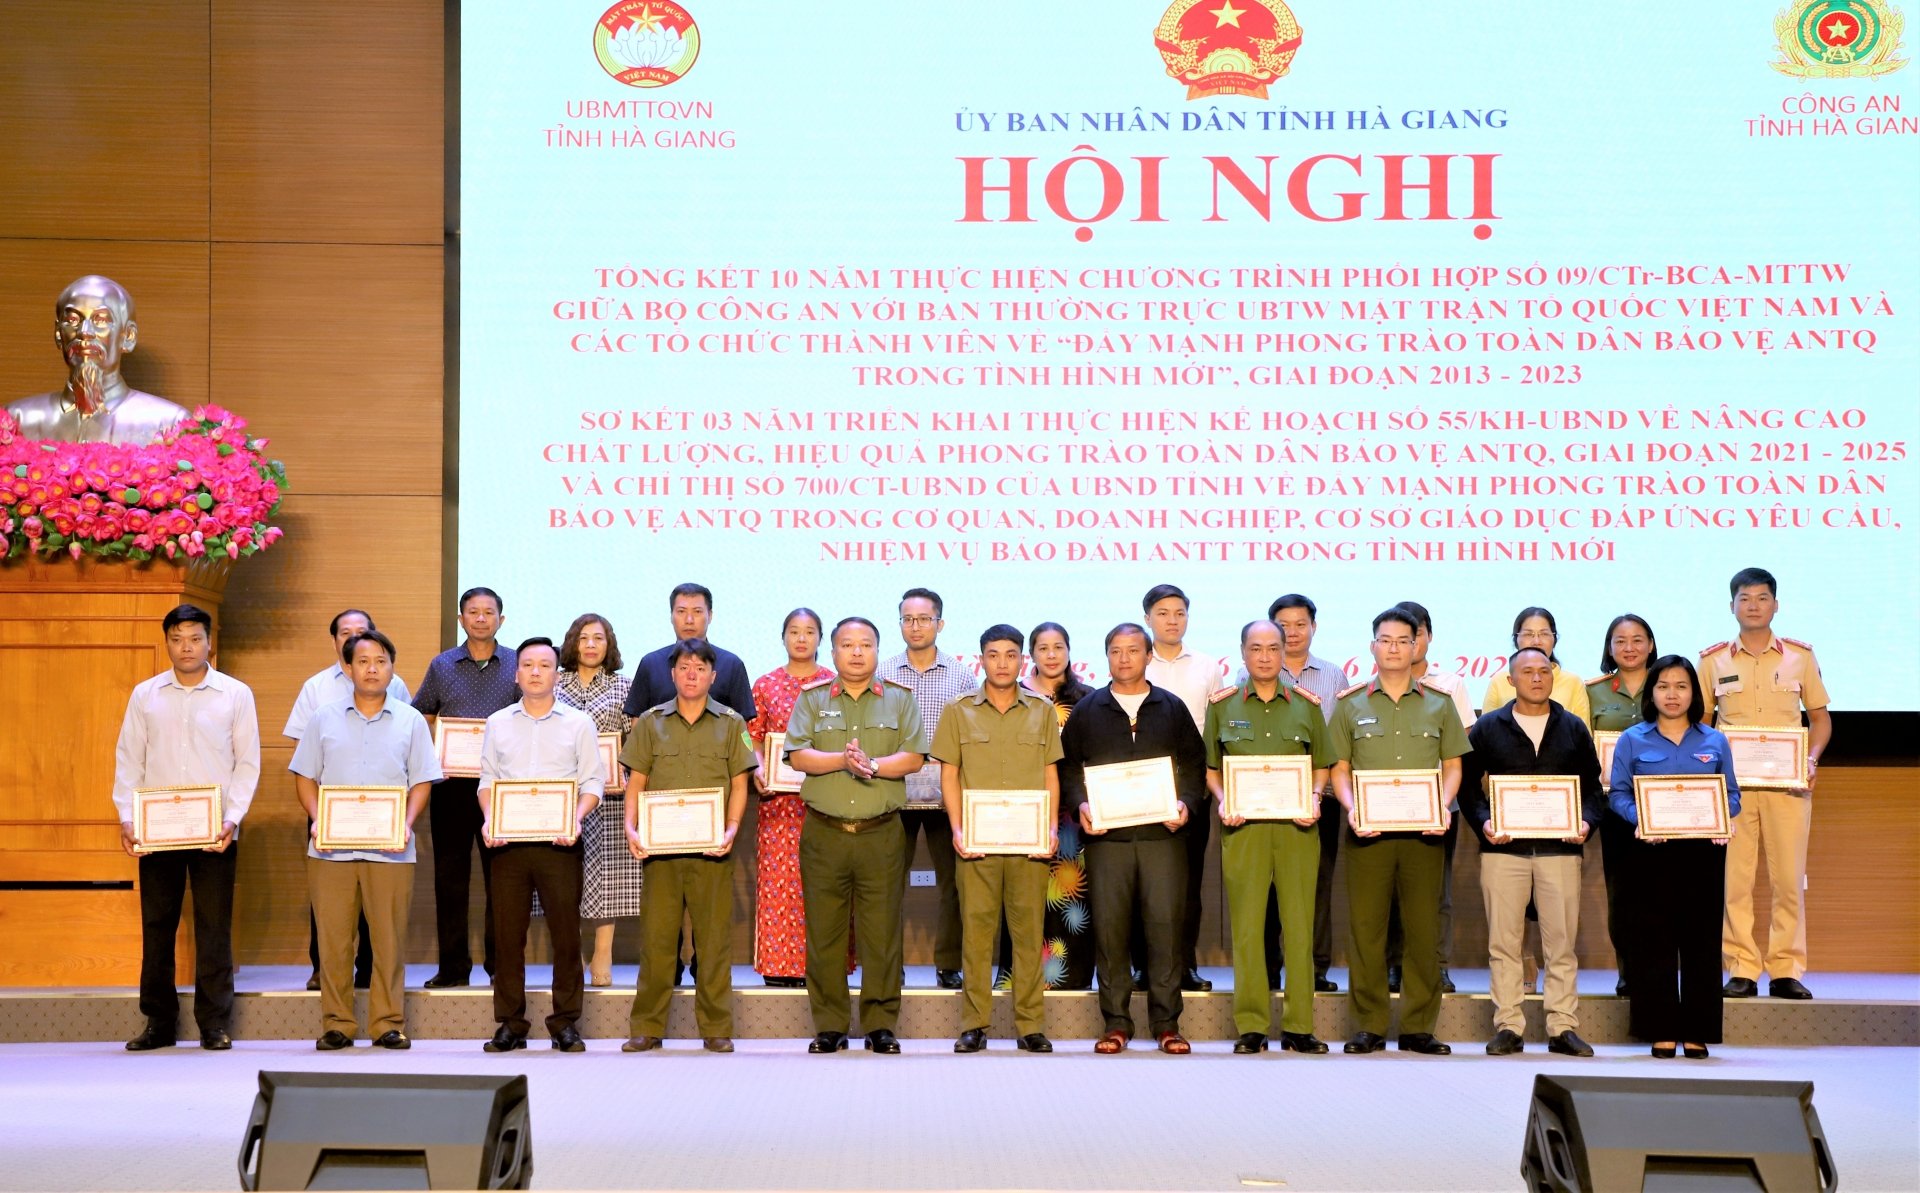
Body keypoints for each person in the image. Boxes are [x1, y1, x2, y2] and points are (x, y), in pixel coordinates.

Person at [112, 604, 260, 1051]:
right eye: (177, 639)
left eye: (194, 638)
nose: (186, 647)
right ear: (167, 642)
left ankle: (214, 1023)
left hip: (216, 829)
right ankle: (158, 1022)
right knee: (157, 925)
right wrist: (127, 818)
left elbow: (247, 762)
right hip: (157, 831)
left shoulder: (235, 694)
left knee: (214, 926)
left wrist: (232, 817)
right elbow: (128, 759)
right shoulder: (146, 694)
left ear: (209, 641)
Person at [1060, 623, 1207, 1054]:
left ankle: (1167, 1023)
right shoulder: (1088, 709)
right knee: (1110, 932)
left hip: (1163, 839)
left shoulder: (1171, 707)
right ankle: (1116, 1023)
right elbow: (1068, 768)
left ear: (1147, 656)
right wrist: (1082, 806)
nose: (1124, 659)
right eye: (1116, 651)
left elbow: (1195, 765)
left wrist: (1186, 804)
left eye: (1133, 651)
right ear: (1106, 657)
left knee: (1165, 930)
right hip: (1108, 842)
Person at [785, 617, 929, 1054]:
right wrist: (842, 761)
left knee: (881, 934)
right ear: (833, 653)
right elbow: (798, 755)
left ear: (876, 650)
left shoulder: (899, 699)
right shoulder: (811, 698)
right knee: (825, 934)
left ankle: (880, 1024)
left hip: (880, 833)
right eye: (847, 644)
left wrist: (874, 766)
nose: (856, 652)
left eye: (865, 644)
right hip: (824, 832)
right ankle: (829, 1025)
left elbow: (915, 756)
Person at [290, 629, 439, 1050]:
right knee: (334, 941)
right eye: (363, 662)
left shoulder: (410, 720)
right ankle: (337, 1024)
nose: (372, 669)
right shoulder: (323, 718)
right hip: (330, 850)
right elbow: (304, 777)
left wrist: (406, 823)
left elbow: (422, 781)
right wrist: (319, 820)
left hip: (391, 850)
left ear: (392, 669)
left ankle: (387, 1023)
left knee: (388, 940)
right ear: (348, 667)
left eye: (381, 662)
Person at [1331, 608, 1468, 1056]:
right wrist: (1352, 809)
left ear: (1416, 646)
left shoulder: (1439, 702)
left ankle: (1417, 1027)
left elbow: (1452, 767)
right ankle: (1369, 1024)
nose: (1393, 648)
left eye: (1401, 641)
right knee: (1366, 931)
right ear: (1373, 647)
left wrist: (1443, 805)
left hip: (1424, 834)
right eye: (1384, 640)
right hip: (1366, 834)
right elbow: (1340, 770)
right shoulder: (1350, 704)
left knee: (1422, 930)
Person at [1461, 647, 1605, 1058]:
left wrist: (1586, 824)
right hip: (1503, 852)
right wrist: (1485, 823)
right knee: (1503, 943)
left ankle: (1563, 1027)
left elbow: (1593, 790)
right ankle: (1509, 1025)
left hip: (1561, 851)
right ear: (1511, 679)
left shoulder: (1573, 727)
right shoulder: (1488, 727)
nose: (1537, 678)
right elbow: (1470, 789)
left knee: (1560, 944)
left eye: (1544, 671)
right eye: (1528, 672)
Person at [1204, 619, 1334, 1055]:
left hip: (1297, 830)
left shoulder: (1306, 704)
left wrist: (1316, 796)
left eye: (1273, 648)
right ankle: (1253, 1026)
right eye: (1255, 648)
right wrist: (1223, 799)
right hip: (1243, 831)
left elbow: (1321, 763)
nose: (1264, 656)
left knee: (1299, 929)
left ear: (1284, 653)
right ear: (1242, 653)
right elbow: (1211, 769)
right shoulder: (1221, 706)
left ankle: (1299, 1026)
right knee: (1247, 930)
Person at [620, 639, 757, 1053]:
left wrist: (732, 829)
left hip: (713, 850)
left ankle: (716, 1028)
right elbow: (636, 782)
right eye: (684, 667)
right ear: (673, 674)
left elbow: (740, 784)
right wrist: (632, 829)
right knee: (657, 941)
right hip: (660, 853)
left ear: (713, 676)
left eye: (700, 668)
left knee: (713, 942)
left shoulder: (732, 723)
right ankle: (647, 1027)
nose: (692, 673)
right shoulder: (649, 721)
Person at [934, 625, 1063, 1054]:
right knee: (977, 934)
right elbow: (949, 773)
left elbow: (1050, 774)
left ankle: (1030, 1025)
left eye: (1011, 655)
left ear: (1021, 660)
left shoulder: (1042, 709)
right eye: (994, 655)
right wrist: (957, 827)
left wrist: (1048, 828)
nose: (1002, 663)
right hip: (978, 843)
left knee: (1028, 936)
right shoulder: (958, 710)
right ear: (981, 660)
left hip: (1028, 845)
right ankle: (974, 1024)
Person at [1704, 567, 1830, 1001]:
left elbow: (1820, 719)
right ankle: (1740, 967)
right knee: (1735, 882)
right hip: (1733, 792)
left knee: (1788, 881)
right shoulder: (1713, 660)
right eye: (1744, 598)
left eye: (1761, 597)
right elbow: (1702, 723)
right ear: (1732, 605)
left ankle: (1785, 969)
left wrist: (1810, 760)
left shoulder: (1800, 657)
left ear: (1776, 604)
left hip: (1788, 790)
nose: (1753, 605)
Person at [1610, 655, 1741, 1058]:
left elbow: (1731, 795)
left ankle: (1697, 1029)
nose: (1672, 694)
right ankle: (1660, 1028)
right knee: (1654, 942)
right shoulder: (1633, 739)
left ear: (1693, 693)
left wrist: (1724, 819)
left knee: (1701, 942)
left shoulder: (1714, 740)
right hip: (1651, 854)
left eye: (1681, 686)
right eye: (1663, 686)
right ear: (1651, 693)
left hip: (1703, 854)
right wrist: (1641, 820)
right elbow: (1618, 793)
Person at [477, 638, 603, 1052]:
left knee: (566, 935)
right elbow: (488, 781)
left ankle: (565, 1021)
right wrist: (490, 819)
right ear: (516, 673)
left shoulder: (579, 722)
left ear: (555, 674)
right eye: (527, 665)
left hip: (559, 842)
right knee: (507, 936)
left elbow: (592, 783)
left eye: (544, 666)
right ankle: (511, 1023)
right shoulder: (497, 722)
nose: (535, 672)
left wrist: (575, 817)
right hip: (508, 844)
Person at [285, 608, 411, 992]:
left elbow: (406, 741)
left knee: (378, 903)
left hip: (383, 815)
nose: (354, 638)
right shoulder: (317, 689)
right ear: (335, 640)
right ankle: (322, 968)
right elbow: (304, 753)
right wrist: (321, 812)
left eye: (363, 632)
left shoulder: (397, 685)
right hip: (329, 811)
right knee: (329, 904)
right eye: (345, 633)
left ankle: (369, 970)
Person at [412, 586, 517, 988]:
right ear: (461, 619)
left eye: (488, 612)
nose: (480, 618)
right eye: (472, 612)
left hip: (502, 787)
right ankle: (454, 966)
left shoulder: (515, 664)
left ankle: (500, 965)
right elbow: (423, 712)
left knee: (501, 880)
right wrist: (435, 753)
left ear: (500, 620)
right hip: (452, 786)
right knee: (450, 878)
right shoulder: (442, 665)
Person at [879, 588, 977, 989]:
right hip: (892, 792)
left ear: (940, 623)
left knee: (955, 882)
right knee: (885, 882)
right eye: (907, 619)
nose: (915, 626)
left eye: (923, 619)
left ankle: (949, 963)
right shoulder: (882, 672)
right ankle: (889, 965)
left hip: (945, 794)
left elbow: (972, 736)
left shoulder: (961, 675)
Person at [746, 609, 847, 987]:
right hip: (779, 803)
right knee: (779, 884)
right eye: (794, 631)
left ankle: (821, 965)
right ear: (782, 636)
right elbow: (749, 734)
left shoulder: (836, 683)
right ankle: (777, 966)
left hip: (826, 801)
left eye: (809, 632)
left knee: (824, 884)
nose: (801, 638)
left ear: (821, 639)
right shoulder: (765, 684)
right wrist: (757, 767)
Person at [1140, 583, 1229, 993]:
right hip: (1142, 788)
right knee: (1144, 879)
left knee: (1188, 880)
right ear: (1148, 619)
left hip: (1191, 786)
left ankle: (1185, 964)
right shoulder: (1136, 660)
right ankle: (1143, 964)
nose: (1172, 620)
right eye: (1162, 613)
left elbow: (1217, 728)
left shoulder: (1209, 667)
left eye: (1179, 612)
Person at [1383, 599, 1474, 995]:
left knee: (1438, 892)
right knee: (1388, 893)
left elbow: (1461, 744)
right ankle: (1393, 965)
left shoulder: (1449, 685)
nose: (1405, 645)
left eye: (1414, 635)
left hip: (1438, 804)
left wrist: (1439, 799)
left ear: (1427, 637)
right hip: (1383, 805)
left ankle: (1436, 965)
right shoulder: (1371, 689)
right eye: (1394, 638)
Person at [1264, 593, 1347, 993]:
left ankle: (1315, 967)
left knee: (1317, 884)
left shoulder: (1334, 676)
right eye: (1284, 625)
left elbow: (1341, 741)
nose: (1292, 632)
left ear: (1314, 626)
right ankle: (1269, 967)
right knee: (1268, 889)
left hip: (1321, 797)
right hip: (1265, 798)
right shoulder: (1255, 675)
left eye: (1300, 624)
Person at [1010, 621, 1096, 990]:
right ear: (1032, 654)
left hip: (1073, 816)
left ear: (1069, 651)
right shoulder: (1012, 695)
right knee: (1023, 896)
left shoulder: (1089, 699)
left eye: (1058, 647)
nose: (1051, 655)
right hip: (1024, 810)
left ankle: (1072, 979)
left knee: (1071, 895)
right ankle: (1022, 979)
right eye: (1043, 648)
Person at [6, 275, 191, 444]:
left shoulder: (169, 424)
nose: (84, 332)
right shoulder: (16, 420)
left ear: (128, 337)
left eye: (100, 320)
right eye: (72, 320)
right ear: (58, 335)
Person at [555, 614, 636, 987]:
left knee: (609, 876)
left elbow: (633, 742)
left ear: (609, 645)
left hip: (611, 795)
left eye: (598, 638)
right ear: (572, 643)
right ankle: (577, 953)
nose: (590, 644)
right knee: (565, 875)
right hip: (562, 797)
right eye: (583, 637)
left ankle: (603, 951)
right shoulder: (552, 684)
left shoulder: (624, 686)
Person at [1587, 613, 1657, 996]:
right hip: (1615, 806)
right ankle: (1628, 968)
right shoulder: (1593, 691)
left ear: (1650, 644)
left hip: (1665, 805)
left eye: (1637, 639)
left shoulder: (1667, 683)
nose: (1629, 648)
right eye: (1620, 641)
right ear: (1609, 647)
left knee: (1663, 891)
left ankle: (1660, 967)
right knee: (1623, 892)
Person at [1479, 607, 1593, 722]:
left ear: (1554, 639)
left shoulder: (1573, 683)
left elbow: (1583, 736)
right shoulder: (1499, 681)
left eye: (1544, 634)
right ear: (1516, 639)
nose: (1536, 641)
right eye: (1528, 634)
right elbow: (1486, 732)